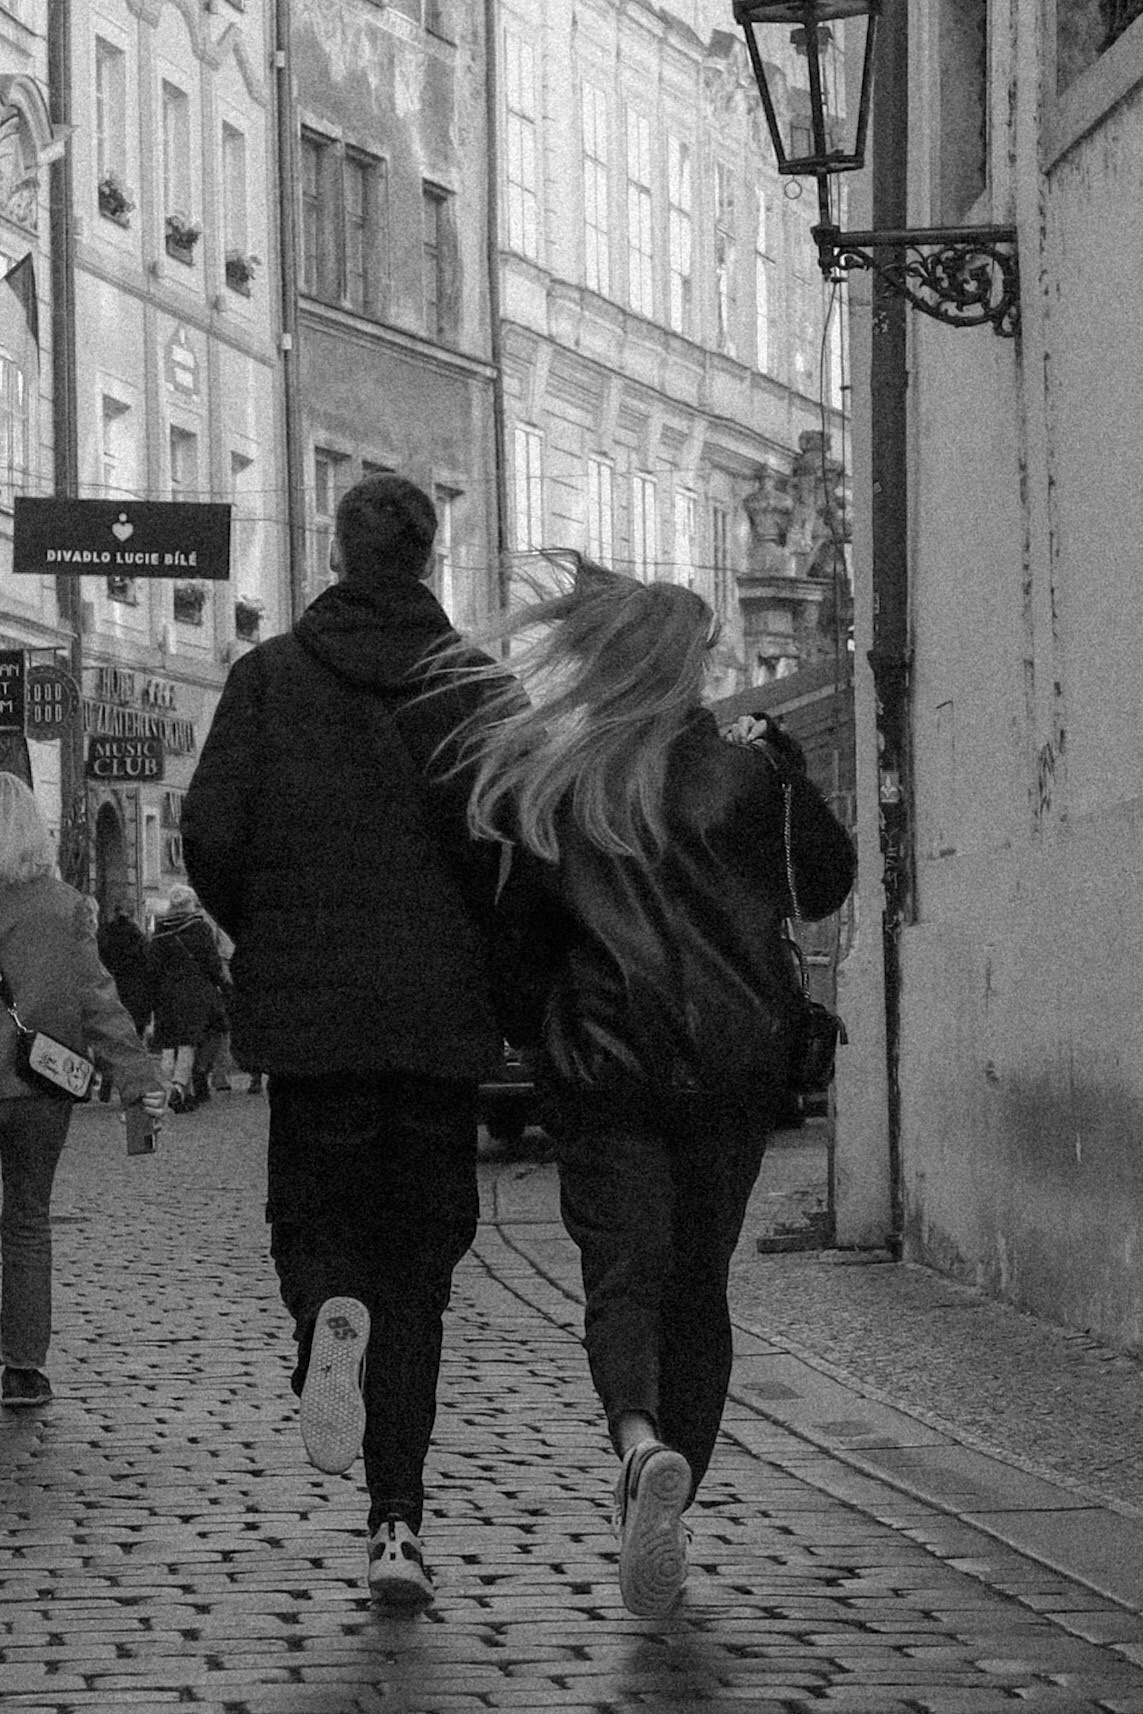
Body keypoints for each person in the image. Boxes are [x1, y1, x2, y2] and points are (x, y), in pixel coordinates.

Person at [442, 558, 855, 1617]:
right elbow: (831, 880)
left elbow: (518, 949)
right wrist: (792, 774)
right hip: (732, 1070)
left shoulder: (559, 778)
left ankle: (636, 1442)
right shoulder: (746, 774)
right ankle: (670, 1495)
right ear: (681, 665)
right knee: (698, 1289)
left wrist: (544, 1033)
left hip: (607, 1071)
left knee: (623, 1278)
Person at [181, 472, 507, 1608]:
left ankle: (326, 1313)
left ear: (335, 547)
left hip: (314, 1031)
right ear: (427, 556)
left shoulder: (267, 677)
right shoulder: (476, 689)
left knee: (313, 1230)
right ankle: (398, 1527)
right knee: (419, 1277)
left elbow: (208, 830)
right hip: (434, 1027)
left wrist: (265, 929)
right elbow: (511, 856)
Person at [0, 775, 167, 1408]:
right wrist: (138, 1082)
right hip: (40, 1086)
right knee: (26, 1221)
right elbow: (99, 1002)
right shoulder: (65, 907)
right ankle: (22, 1368)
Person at [148, 884, 228, 1113]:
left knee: (168, 1046)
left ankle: (184, 1092)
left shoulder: (160, 931)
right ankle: (178, 1088)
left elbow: (152, 968)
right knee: (187, 1044)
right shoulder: (199, 928)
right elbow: (212, 963)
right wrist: (220, 983)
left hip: (166, 996)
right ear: (190, 903)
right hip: (193, 994)